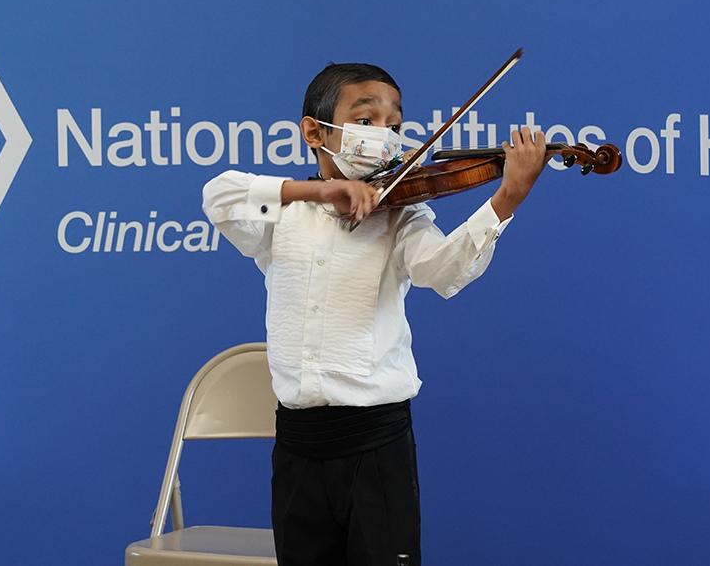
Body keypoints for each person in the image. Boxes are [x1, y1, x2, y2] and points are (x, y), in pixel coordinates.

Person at [201, 62, 547, 566]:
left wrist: (507, 197)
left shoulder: (403, 214)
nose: (383, 137)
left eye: (395, 126)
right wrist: (320, 191)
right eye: (365, 121)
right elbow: (219, 195)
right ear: (315, 132)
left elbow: (443, 271)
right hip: (297, 444)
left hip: (377, 443)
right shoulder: (281, 218)